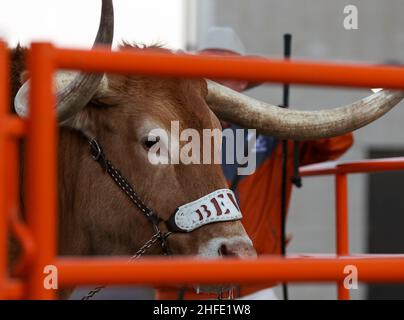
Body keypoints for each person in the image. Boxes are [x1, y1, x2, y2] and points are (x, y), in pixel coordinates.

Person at [157, 27, 353, 300]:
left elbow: (337, 141)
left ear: (243, 82)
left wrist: (285, 119)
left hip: (252, 284)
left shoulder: (272, 135)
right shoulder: (168, 130)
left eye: (228, 70)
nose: (217, 78)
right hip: (184, 287)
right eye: (206, 68)